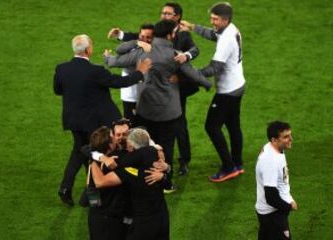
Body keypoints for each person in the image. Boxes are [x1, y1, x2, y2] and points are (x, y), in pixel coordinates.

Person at [105, 20, 212, 193]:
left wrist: (107, 58)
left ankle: (145, 179)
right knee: (166, 148)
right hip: (169, 113)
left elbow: (115, 61)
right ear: (170, 35)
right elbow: (193, 74)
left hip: (146, 110)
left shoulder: (141, 52)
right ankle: (166, 182)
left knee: (144, 145)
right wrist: (206, 83)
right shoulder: (175, 54)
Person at [53, 34, 151, 206]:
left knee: (79, 151)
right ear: (88, 50)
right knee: (95, 154)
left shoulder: (61, 68)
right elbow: (119, 82)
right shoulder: (95, 71)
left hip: (73, 120)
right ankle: (90, 196)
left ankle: (65, 188)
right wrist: (140, 72)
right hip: (93, 122)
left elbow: (58, 90)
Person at [181, 2, 246, 182]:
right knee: (233, 126)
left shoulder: (226, 39)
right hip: (238, 85)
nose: (212, 22)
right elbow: (212, 34)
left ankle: (228, 167)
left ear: (225, 19)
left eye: (215, 19)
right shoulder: (231, 29)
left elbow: (214, 68)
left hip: (228, 91)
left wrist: (192, 73)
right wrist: (193, 27)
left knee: (211, 126)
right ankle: (238, 163)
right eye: (211, 18)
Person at [91, 128, 169, 240]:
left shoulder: (118, 160)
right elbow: (95, 188)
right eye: (115, 136)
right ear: (109, 146)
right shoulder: (108, 163)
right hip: (107, 218)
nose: (120, 139)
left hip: (118, 217)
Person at [255, 121, 297, 240]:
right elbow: (271, 196)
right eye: (286, 137)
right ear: (274, 140)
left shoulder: (271, 147)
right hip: (273, 214)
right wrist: (288, 206)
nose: (291, 139)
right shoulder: (271, 161)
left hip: (268, 213)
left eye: (290, 135)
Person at [115, 24, 154, 125]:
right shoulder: (133, 47)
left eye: (148, 37)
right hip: (130, 95)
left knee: (148, 127)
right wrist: (136, 42)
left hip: (148, 96)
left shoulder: (155, 51)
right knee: (131, 126)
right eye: (142, 36)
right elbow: (119, 50)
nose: (144, 40)